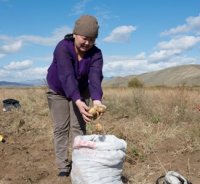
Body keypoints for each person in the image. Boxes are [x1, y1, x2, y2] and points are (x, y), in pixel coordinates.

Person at [46, 15, 104, 177]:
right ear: (75, 34)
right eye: (85, 38)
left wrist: (97, 100)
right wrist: (77, 101)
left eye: (92, 40)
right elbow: (66, 76)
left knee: (79, 127)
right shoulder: (63, 47)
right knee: (61, 128)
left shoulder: (96, 54)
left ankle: (79, 163)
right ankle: (63, 166)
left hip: (82, 89)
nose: (88, 43)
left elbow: (95, 77)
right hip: (58, 90)